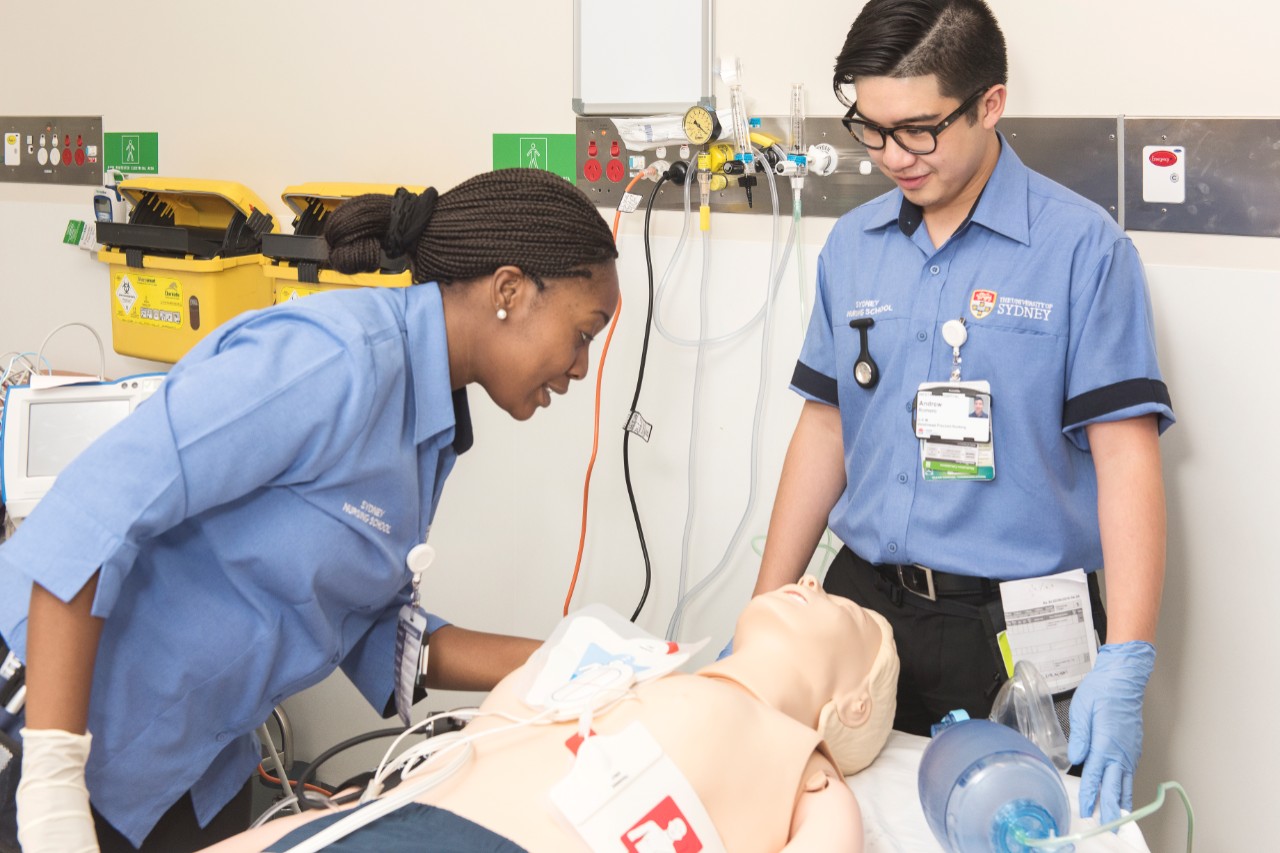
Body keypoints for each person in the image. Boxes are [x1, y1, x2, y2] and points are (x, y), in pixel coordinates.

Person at [0, 168, 621, 851]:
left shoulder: (428, 423)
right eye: (584, 333)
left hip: (192, 765)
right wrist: (53, 779)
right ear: (509, 290)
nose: (580, 368)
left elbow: (367, 627)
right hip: (58, 729)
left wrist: (566, 667)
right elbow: (90, 517)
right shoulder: (331, 361)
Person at [750, 0, 1173, 828]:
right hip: (860, 613)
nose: (890, 157)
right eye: (869, 130)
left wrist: (1126, 658)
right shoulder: (855, 244)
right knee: (834, 830)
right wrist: (762, 611)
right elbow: (827, 425)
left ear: (991, 104)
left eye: (917, 130)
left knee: (1013, 835)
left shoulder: (1083, 250)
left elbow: (1126, 461)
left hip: (1016, 632)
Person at [203, 576, 900, 853]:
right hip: (385, 822)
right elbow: (436, 777)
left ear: (853, 702)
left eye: (844, 606)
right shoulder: (626, 671)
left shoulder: (806, 770)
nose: (812, 580)